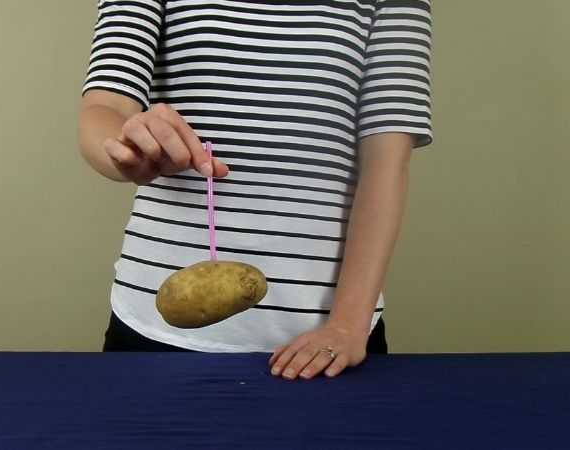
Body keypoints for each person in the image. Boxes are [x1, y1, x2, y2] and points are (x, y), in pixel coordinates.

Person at [78, 0, 432, 380]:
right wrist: (126, 147)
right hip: (153, 327)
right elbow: (105, 106)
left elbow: (386, 161)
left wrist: (347, 325)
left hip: (330, 340)